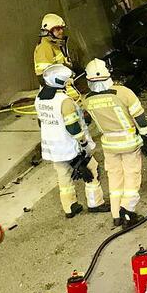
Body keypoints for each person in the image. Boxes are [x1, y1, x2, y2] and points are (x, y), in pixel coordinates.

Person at [82, 58, 147, 228]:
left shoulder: (87, 100)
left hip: (109, 145)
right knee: (131, 176)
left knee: (114, 178)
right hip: (129, 143)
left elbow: (86, 121)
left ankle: (116, 215)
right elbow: (140, 118)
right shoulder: (123, 92)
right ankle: (128, 211)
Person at [35, 65, 105, 218]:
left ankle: (70, 207)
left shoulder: (39, 97)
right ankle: (95, 203)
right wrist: (83, 144)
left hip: (54, 149)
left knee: (64, 177)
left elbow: (41, 122)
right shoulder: (64, 101)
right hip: (70, 147)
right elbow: (73, 128)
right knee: (92, 170)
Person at [34, 13, 72, 82]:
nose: (61, 31)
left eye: (61, 28)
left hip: (63, 83)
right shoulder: (44, 47)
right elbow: (45, 75)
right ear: (49, 30)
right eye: (57, 29)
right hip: (55, 88)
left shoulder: (54, 43)